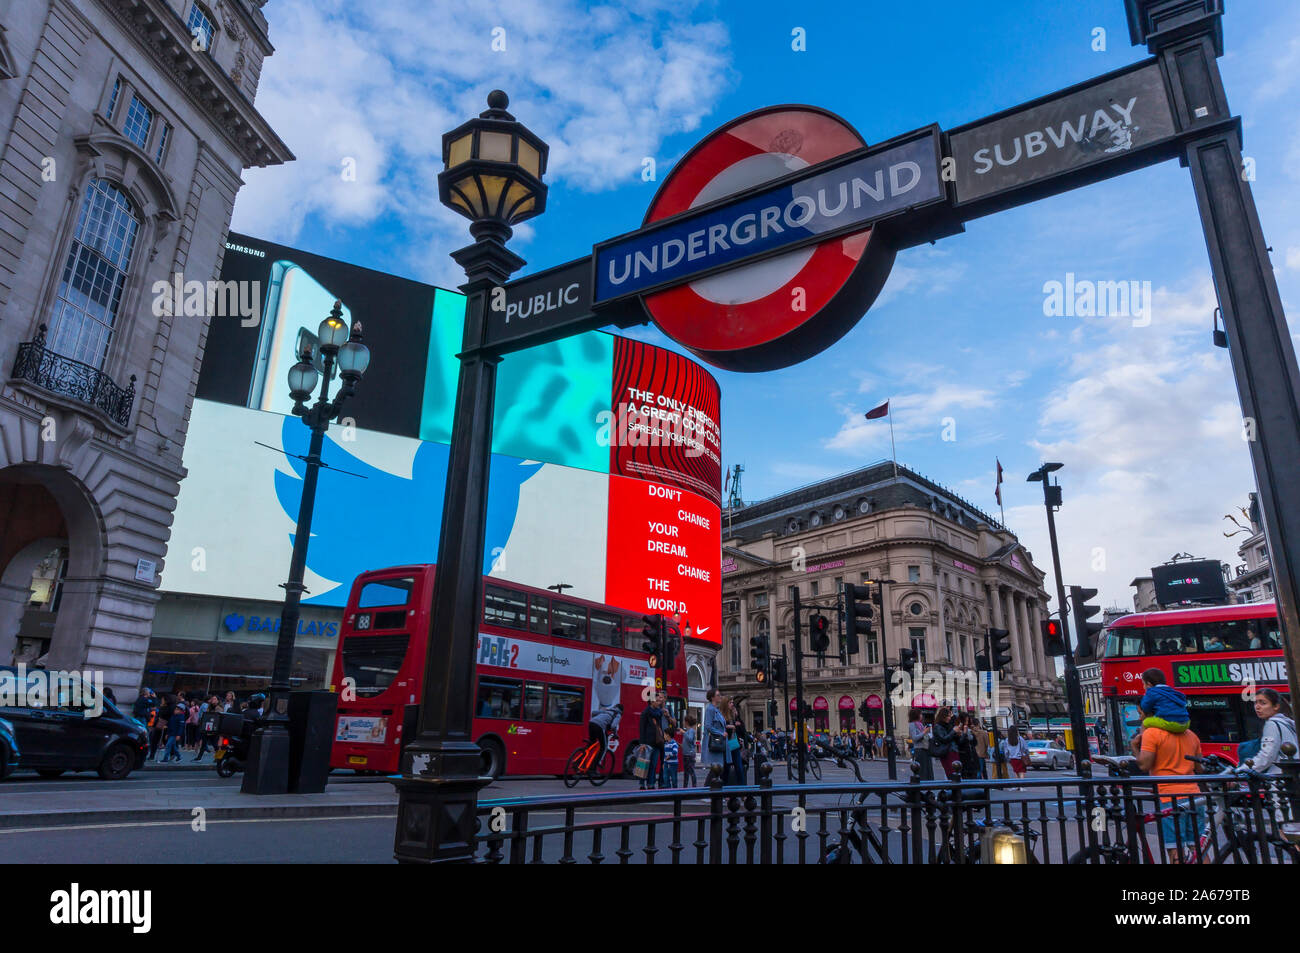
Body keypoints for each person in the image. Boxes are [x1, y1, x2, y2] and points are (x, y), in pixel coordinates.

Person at [1133, 711, 1204, 862]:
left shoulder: (1152, 733)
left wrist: (1134, 747)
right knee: (1198, 850)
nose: (1140, 718)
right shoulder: (1191, 734)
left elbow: (1144, 765)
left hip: (1169, 796)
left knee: (1175, 851)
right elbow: (1200, 769)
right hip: (1194, 795)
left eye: (1141, 714)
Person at [1248, 688, 1297, 776]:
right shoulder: (1287, 723)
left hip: (1282, 780)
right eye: (1255, 703)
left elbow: (1266, 756)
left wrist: (1243, 770)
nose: (1257, 707)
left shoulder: (1272, 724)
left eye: (1263, 703)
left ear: (1276, 706)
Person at [1138, 668, 1190, 733]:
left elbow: (1145, 707)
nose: (1143, 687)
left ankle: (1141, 741)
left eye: (1143, 684)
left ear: (1148, 684)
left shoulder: (1151, 691)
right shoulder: (1170, 690)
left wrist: (1145, 697)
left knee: (1145, 723)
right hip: (1186, 723)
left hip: (1172, 723)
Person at [638, 694, 665, 789]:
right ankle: (642, 783)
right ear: (652, 702)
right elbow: (642, 728)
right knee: (644, 763)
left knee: (653, 764)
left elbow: (659, 728)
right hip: (647, 743)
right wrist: (642, 743)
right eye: (657, 701)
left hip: (657, 742)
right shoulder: (646, 713)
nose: (659, 702)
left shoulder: (659, 713)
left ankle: (651, 783)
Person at [702, 689, 727, 780]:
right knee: (716, 769)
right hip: (715, 742)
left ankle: (713, 790)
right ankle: (708, 790)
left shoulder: (717, 710)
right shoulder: (710, 709)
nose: (720, 696)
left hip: (720, 743)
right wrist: (721, 733)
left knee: (718, 769)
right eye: (718, 695)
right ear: (712, 698)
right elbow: (708, 726)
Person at [931, 707, 961, 780]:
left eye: (950, 716)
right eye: (948, 716)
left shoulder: (949, 725)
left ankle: (955, 790)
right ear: (943, 716)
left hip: (954, 751)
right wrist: (953, 731)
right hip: (947, 753)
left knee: (957, 774)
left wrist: (958, 734)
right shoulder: (938, 726)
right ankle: (952, 790)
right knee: (951, 774)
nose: (949, 718)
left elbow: (953, 739)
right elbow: (944, 739)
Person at [909, 710, 933, 780]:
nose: (921, 716)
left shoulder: (920, 724)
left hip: (926, 749)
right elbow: (915, 738)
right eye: (920, 714)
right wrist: (924, 732)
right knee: (922, 771)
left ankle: (928, 787)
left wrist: (929, 733)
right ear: (916, 715)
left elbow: (925, 737)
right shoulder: (912, 724)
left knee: (928, 770)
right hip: (919, 750)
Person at [681, 714, 699, 787]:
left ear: (687, 722)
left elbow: (690, 739)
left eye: (684, 721)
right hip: (686, 754)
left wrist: (683, 733)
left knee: (691, 771)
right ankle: (685, 787)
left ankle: (694, 786)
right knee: (686, 772)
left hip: (689, 754)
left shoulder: (690, 731)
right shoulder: (688, 731)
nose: (683, 723)